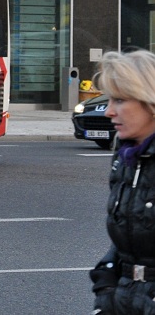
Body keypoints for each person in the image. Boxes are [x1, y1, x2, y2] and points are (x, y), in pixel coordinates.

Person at [89, 49, 155, 315]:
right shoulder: (126, 155)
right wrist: (106, 287)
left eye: (119, 100)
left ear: (149, 101)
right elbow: (129, 236)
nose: (109, 111)